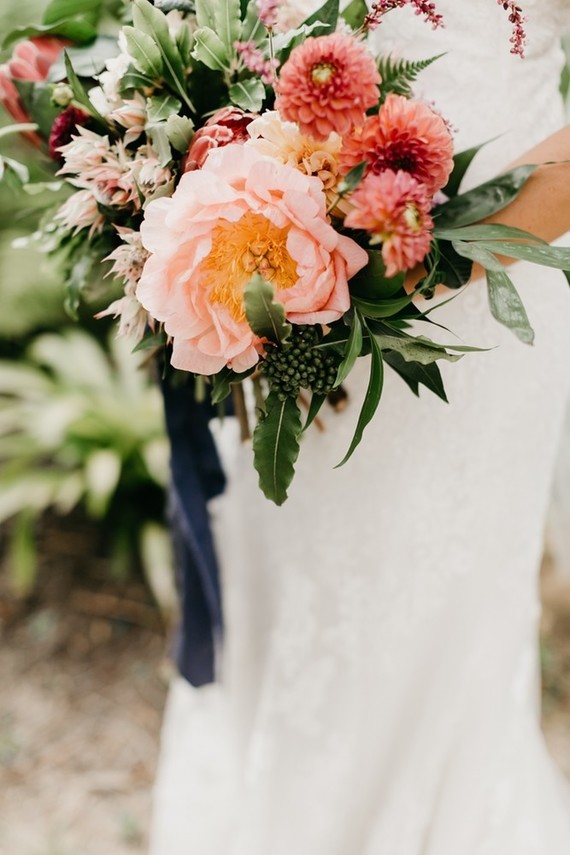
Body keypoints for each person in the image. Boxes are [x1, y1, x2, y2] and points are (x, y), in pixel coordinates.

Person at [150, 1, 570, 852]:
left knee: (439, 622)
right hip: (262, 287)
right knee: (283, 586)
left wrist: (403, 269)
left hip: (483, 313)